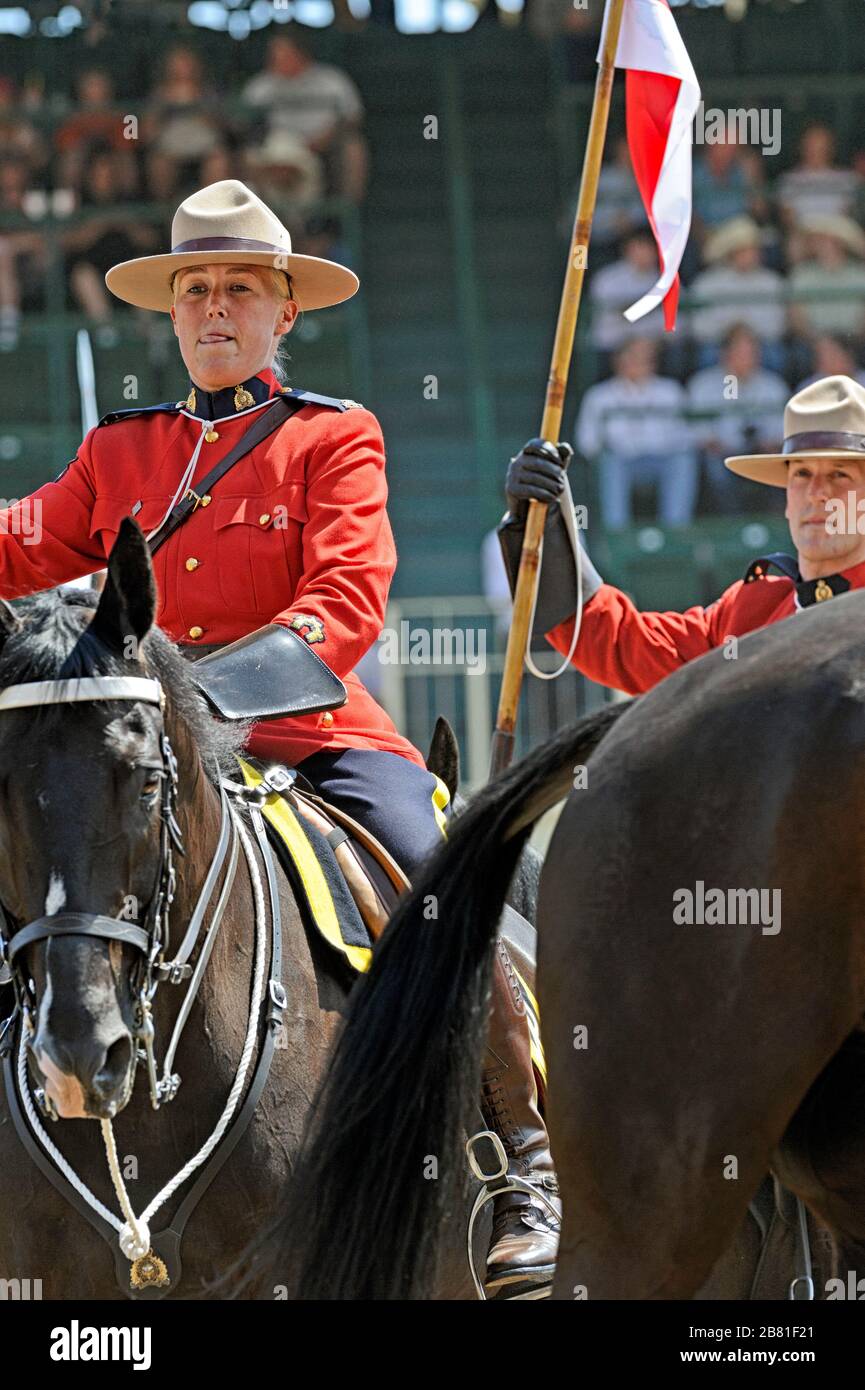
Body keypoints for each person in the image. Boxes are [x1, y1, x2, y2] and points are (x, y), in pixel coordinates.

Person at [0, 177, 558, 1299]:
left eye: (239, 290)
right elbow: (24, 540)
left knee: (440, 878)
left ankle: (521, 1161)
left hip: (304, 736)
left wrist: (199, 700)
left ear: (283, 310)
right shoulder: (121, 450)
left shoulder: (333, 437)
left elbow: (345, 603)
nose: (216, 309)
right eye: (196, 289)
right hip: (132, 752)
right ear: (170, 313)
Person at [498, 375, 865, 695]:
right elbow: (630, 647)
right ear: (785, 499)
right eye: (801, 474)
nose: (817, 493)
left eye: (839, 475)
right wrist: (542, 528)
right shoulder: (753, 608)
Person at [576, 338, 697, 531]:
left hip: (662, 459)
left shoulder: (670, 391)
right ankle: (617, 534)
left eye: (644, 358)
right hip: (622, 462)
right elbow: (587, 442)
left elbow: (686, 435)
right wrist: (608, 449)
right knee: (610, 463)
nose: (638, 363)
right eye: (632, 357)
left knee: (683, 460)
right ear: (618, 361)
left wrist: (663, 445)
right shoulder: (599, 395)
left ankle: (676, 531)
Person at [686, 323, 787, 514]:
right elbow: (696, 430)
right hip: (721, 452)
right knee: (715, 469)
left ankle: (773, 526)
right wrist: (712, 442)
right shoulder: (704, 384)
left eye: (751, 352)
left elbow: (782, 428)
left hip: (761, 452)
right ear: (724, 354)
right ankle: (730, 525)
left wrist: (772, 442)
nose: (745, 359)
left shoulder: (772, 384)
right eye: (739, 352)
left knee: (780, 464)